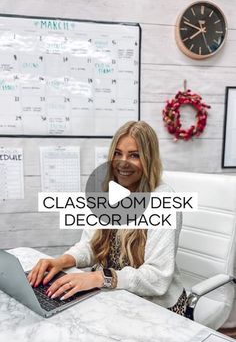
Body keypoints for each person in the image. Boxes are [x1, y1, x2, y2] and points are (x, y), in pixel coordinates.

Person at [28, 121, 187, 315]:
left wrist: (100, 278)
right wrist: (62, 261)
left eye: (134, 155)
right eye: (118, 153)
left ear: (149, 159)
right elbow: (90, 246)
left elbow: (157, 278)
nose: (123, 162)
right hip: (115, 294)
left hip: (157, 306)